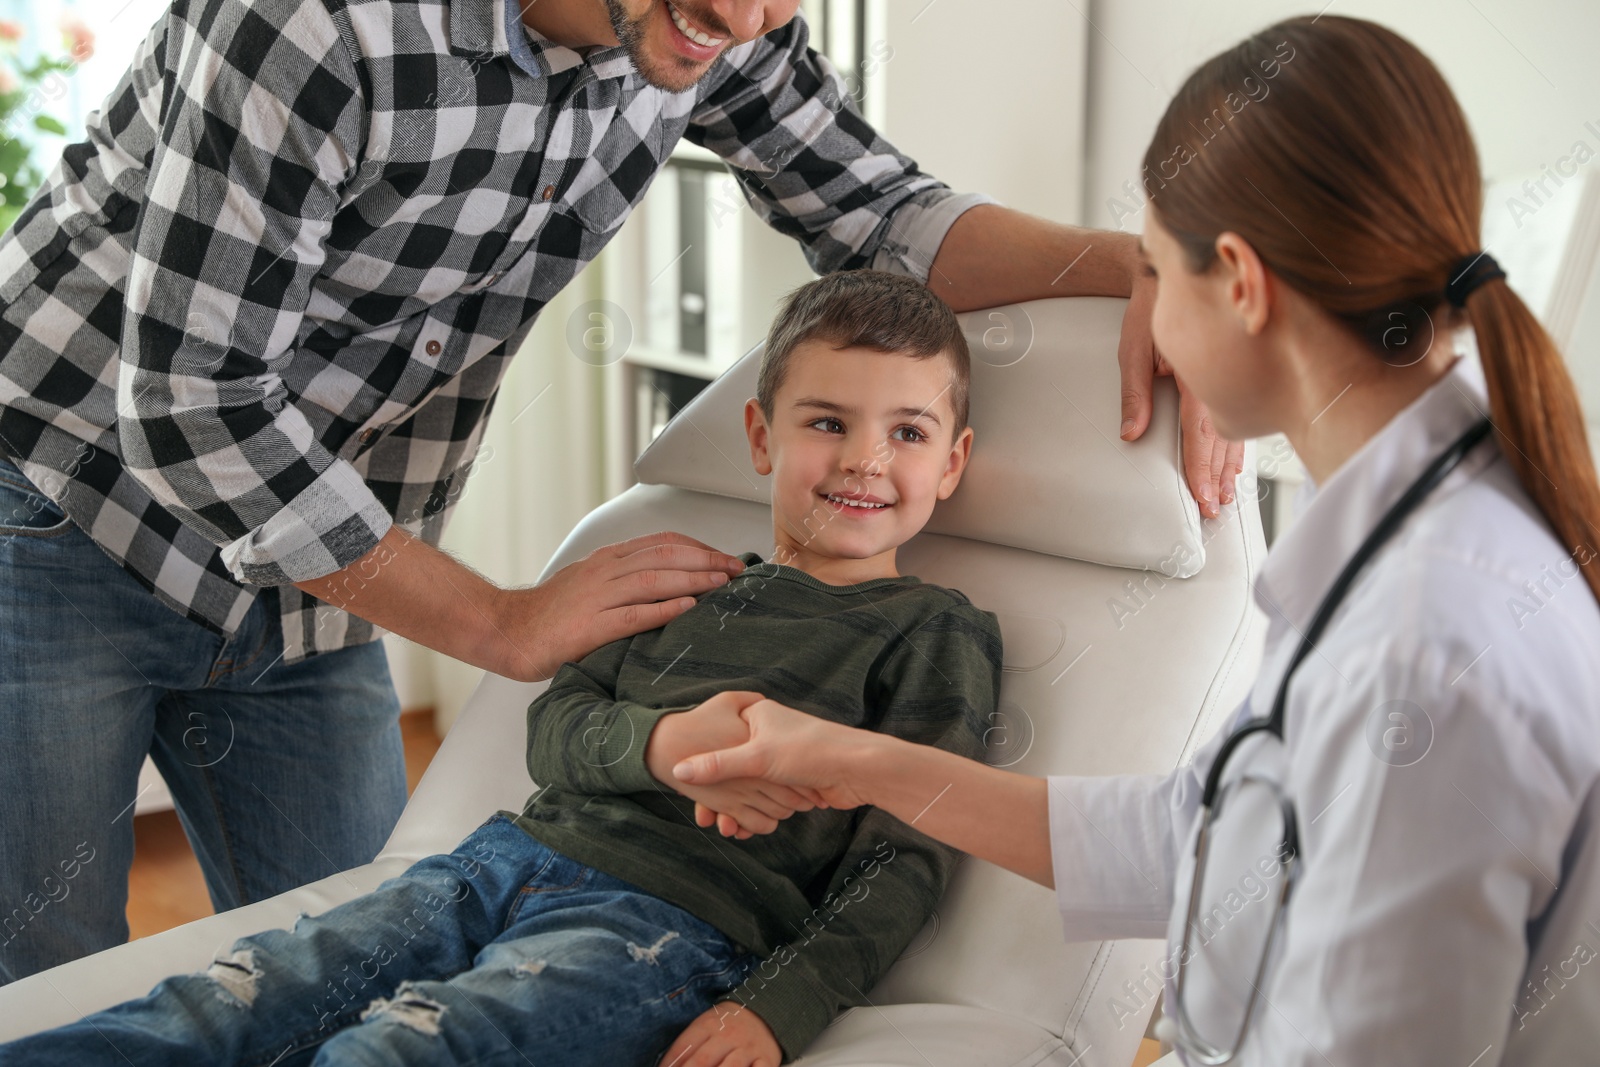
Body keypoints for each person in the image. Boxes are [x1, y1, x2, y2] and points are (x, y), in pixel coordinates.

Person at [0, 0, 1238, 984]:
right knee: (42, 968)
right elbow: (193, 402)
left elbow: (887, 215)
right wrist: (498, 622)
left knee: (356, 963)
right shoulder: (315, 20)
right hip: (58, 512)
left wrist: (1145, 266)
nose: (751, 16)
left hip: (324, 569)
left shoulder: (713, 20)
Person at [670, 16, 1600, 1064]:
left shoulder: (1425, 647)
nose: (1140, 316)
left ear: (1241, 283)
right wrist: (852, 758)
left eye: (1150, 267)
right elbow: (1199, 839)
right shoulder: (1412, 539)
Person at [0, 269, 1005, 1066]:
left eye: (906, 433)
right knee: (230, 1000)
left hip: (671, 931)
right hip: (492, 865)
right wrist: (659, 743)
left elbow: (906, 852)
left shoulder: (930, 633)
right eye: (827, 421)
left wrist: (780, 1006)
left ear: (952, 462)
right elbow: (557, 732)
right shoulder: (677, 577)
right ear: (760, 434)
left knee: (387, 1052)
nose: (865, 459)